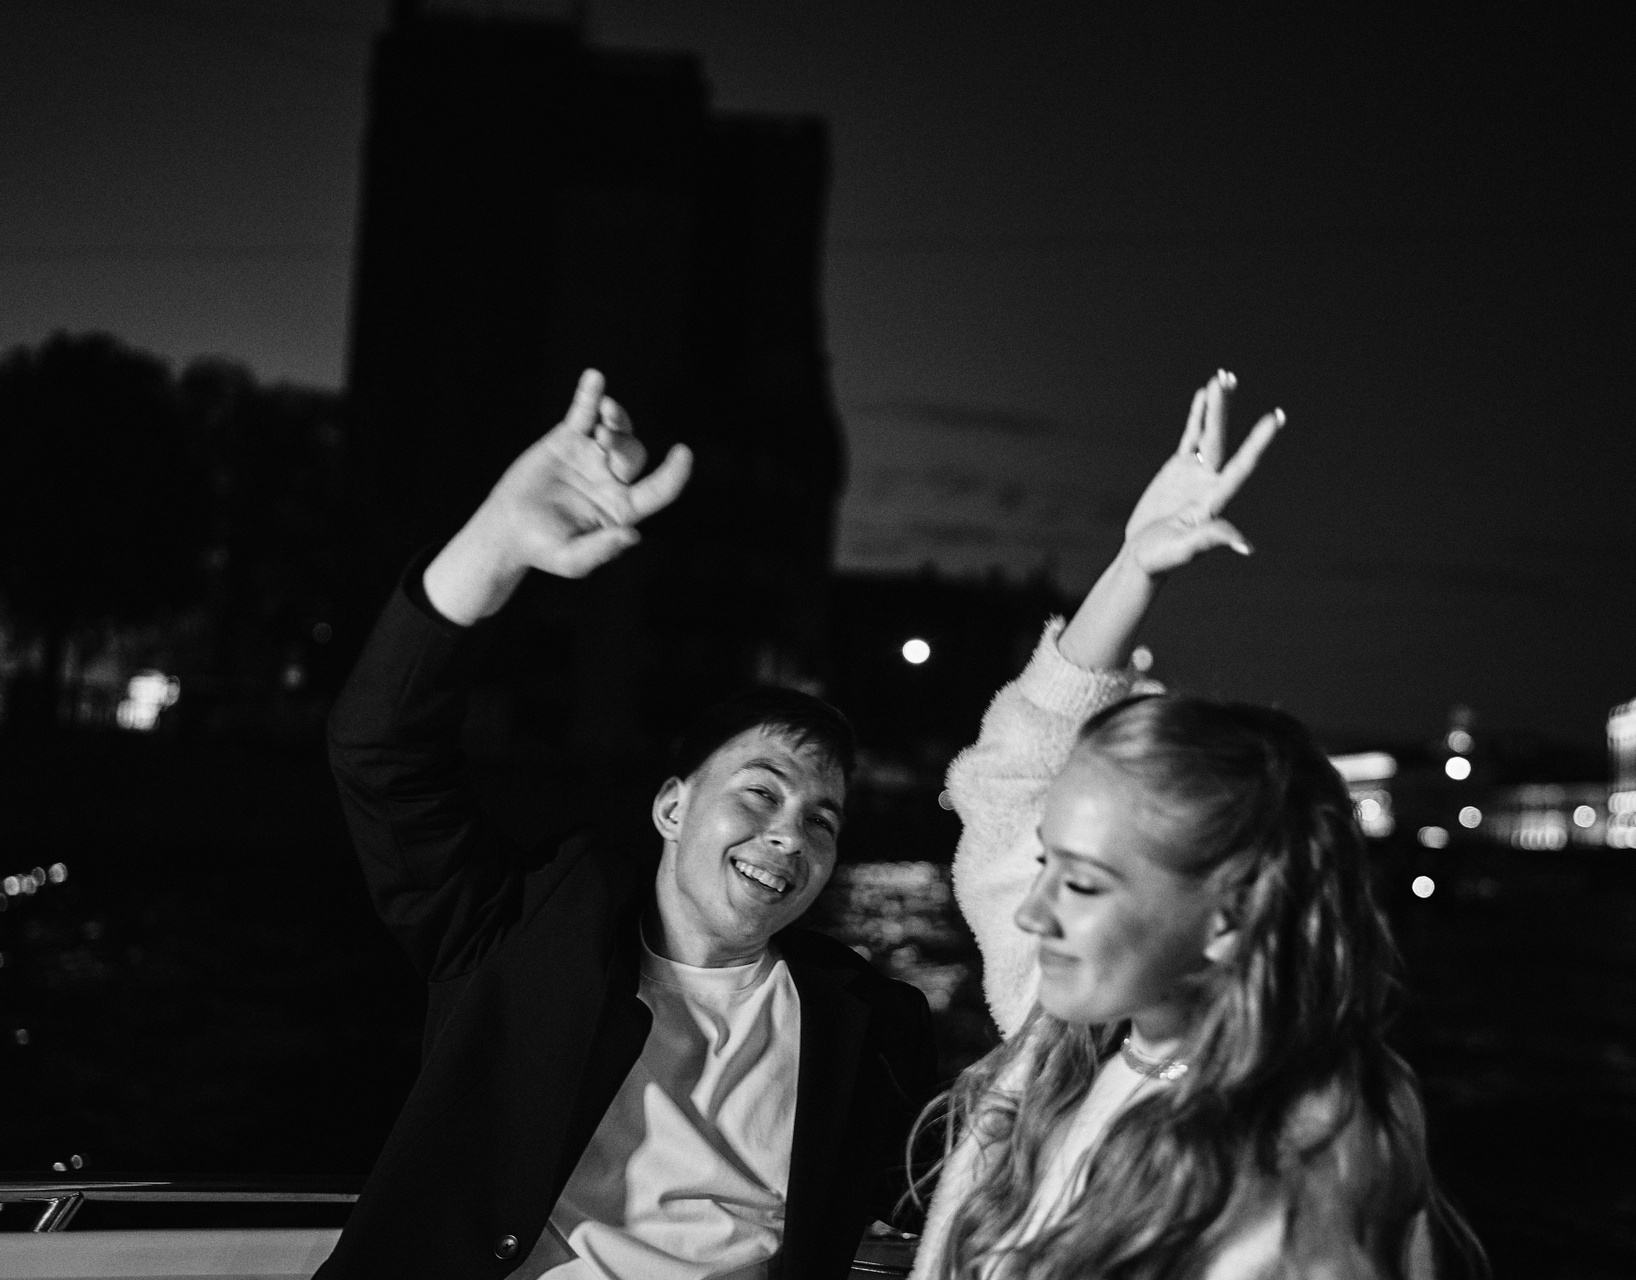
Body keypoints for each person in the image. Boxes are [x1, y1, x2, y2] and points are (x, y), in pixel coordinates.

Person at [320, 370, 938, 1279]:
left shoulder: (873, 1024)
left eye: (823, 821)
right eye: (760, 793)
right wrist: (498, 541)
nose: (790, 836)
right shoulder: (519, 932)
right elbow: (380, 748)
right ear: (673, 807)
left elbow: (955, 1195)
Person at [911, 373, 1483, 1279]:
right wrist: (1131, 570)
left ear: (1227, 920)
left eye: (1083, 881)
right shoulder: (1070, 1033)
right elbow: (1009, 781)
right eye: (1046, 862)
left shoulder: (1296, 1177)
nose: (1031, 910)